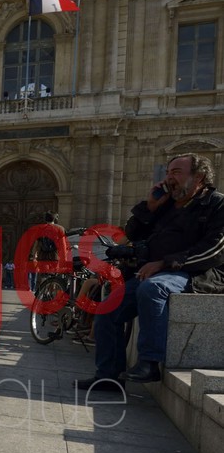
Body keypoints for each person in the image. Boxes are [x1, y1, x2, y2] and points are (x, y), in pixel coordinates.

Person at [76, 153, 224, 395]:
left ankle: (149, 362)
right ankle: (108, 377)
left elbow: (214, 251)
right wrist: (149, 207)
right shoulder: (165, 204)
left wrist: (164, 263)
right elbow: (132, 234)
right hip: (153, 271)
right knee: (108, 308)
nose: (169, 178)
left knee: (153, 288)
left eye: (176, 172)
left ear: (199, 177)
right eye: (168, 172)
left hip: (195, 272)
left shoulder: (217, 204)